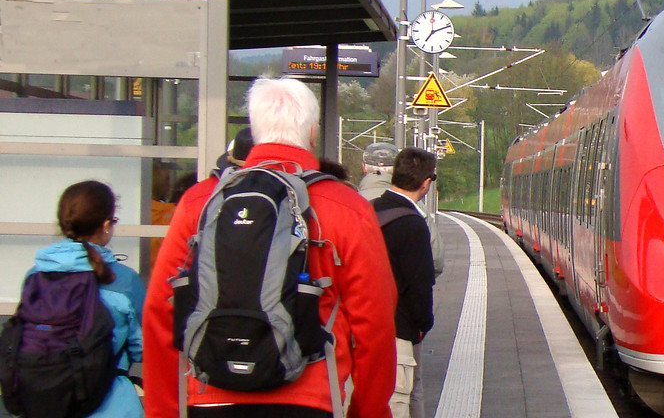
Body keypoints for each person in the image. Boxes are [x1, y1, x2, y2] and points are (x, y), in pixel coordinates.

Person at [142, 77, 397, 418]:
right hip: (309, 401)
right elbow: (375, 327)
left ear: (255, 130)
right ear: (312, 133)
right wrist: (368, 411)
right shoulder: (348, 209)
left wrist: (164, 410)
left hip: (210, 396)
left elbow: (161, 311)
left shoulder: (200, 203)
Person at [29, 180, 146, 417]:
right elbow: (143, 347)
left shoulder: (35, 275)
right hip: (112, 404)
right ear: (105, 225)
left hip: (46, 401)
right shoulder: (124, 280)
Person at [372, 148, 437, 418]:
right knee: (399, 402)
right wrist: (422, 325)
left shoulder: (368, 210)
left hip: (361, 329)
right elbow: (420, 287)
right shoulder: (413, 223)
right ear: (425, 183)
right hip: (398, 332)